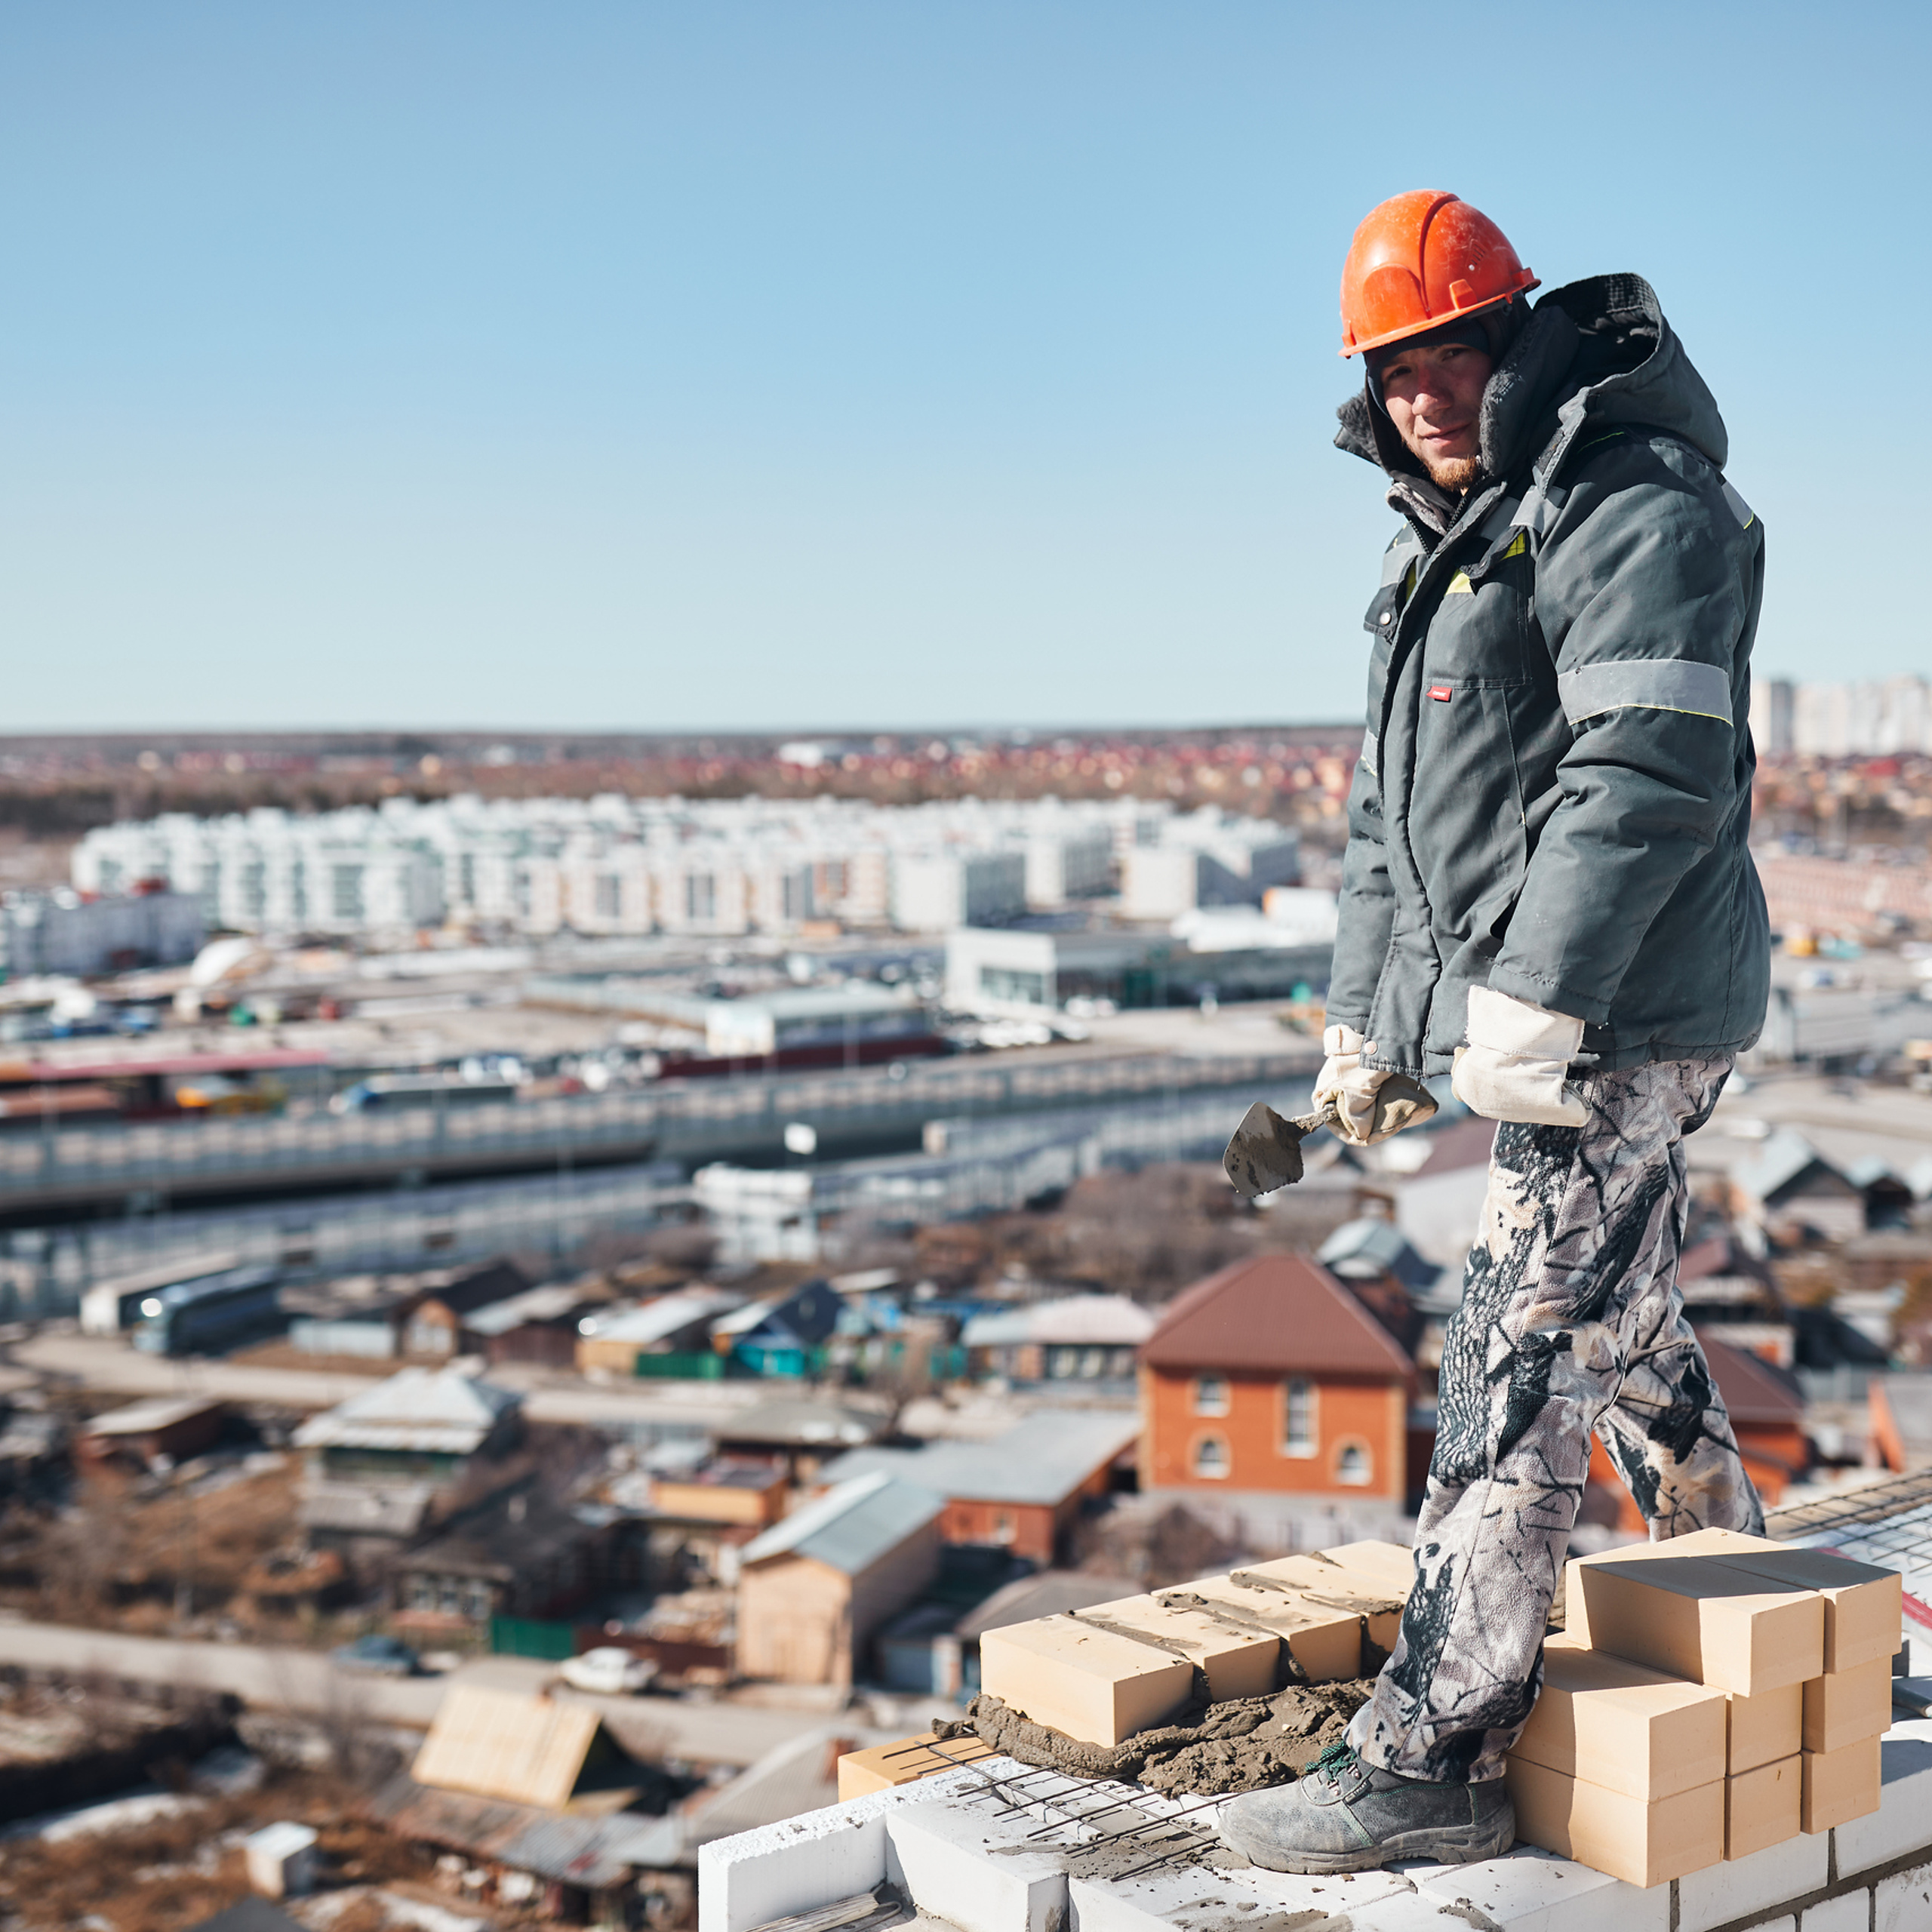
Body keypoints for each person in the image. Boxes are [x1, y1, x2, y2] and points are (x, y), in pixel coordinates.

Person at [1220, 192, 1771, 1874]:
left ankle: (1435, 1750)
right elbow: (1391, 826)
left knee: (1516, 1348)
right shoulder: (1445, 543)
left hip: (1627, 1007)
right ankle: (1750, 1589)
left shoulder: (1633, 498)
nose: (1422, 395)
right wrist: (1366, 1029)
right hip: (1548, 1008)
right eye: (1392, 372)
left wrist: (1542, 993)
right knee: (1615, 1310)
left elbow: (1649, 771)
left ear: (1517, 339)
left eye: (1449, 355)